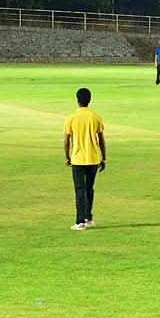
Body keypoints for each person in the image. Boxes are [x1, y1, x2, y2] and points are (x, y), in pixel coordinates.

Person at [63, 87, 106, 230]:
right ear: (89, 100)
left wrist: (67, 157)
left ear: (77, 100)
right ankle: (88, 217)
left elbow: (66, 141)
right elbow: (101, 140)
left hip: (78, 159)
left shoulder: (71, 118)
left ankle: (79, 221)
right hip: (93, 158)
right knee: (89, 189)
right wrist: (104, 158)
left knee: (79, 190)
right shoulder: (95, 117)